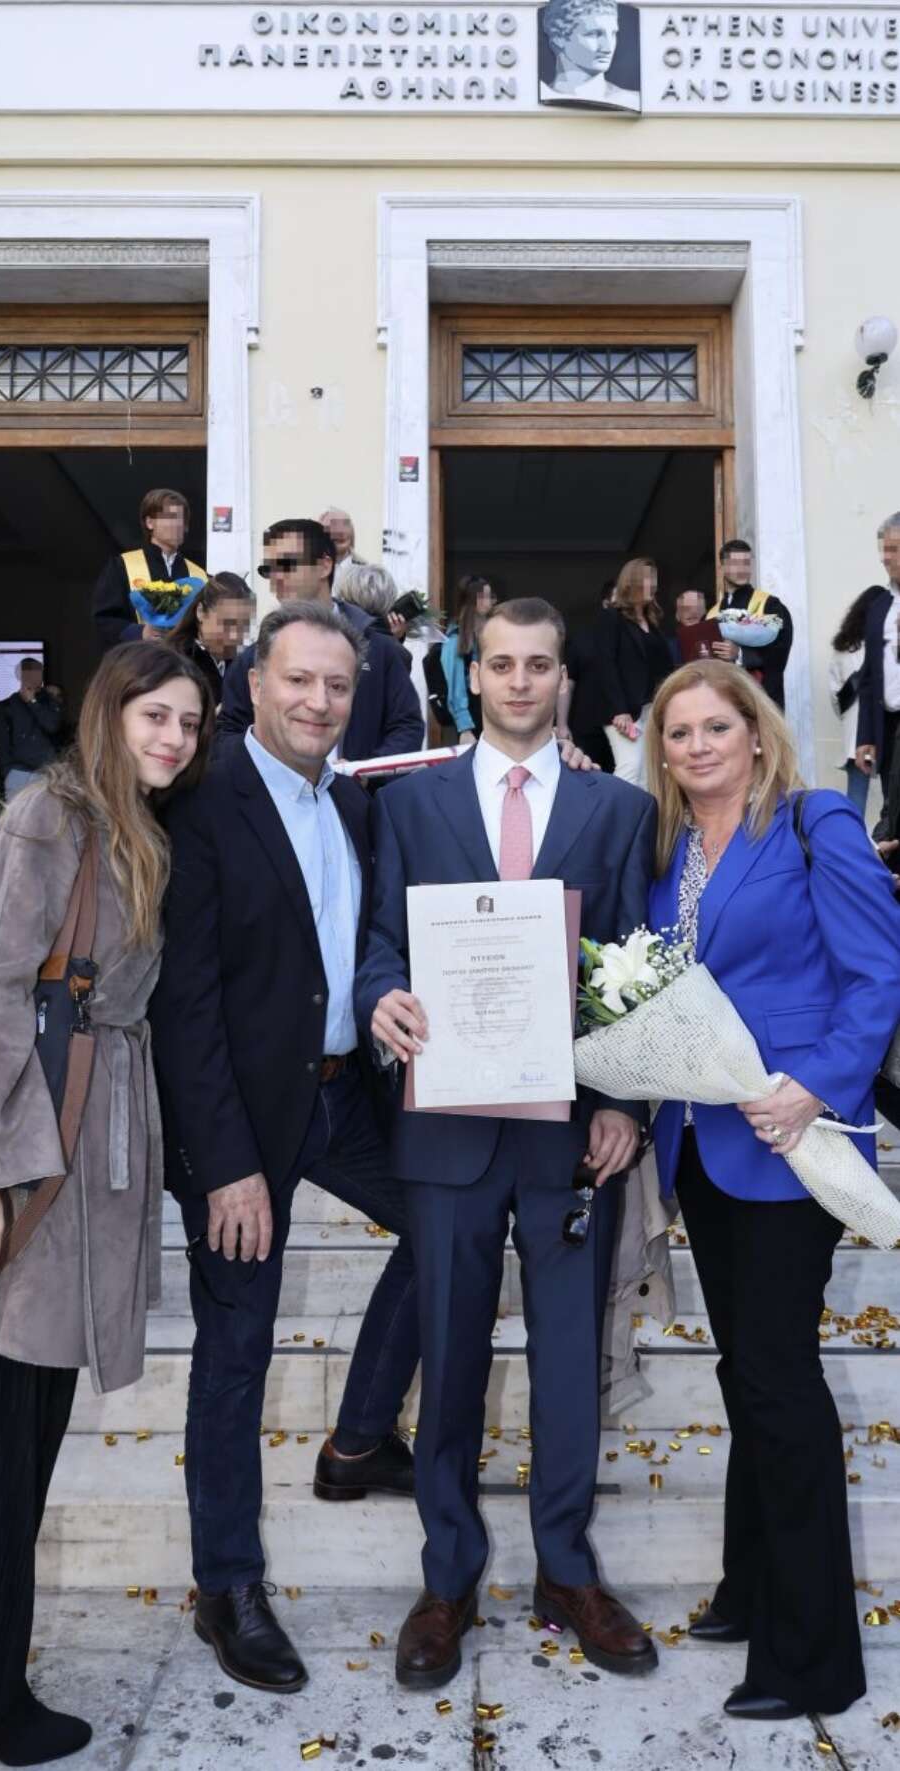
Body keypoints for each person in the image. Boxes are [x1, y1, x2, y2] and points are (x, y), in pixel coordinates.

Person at [0, 641, 211, 1766]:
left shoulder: (133, 830)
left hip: (70, 1179)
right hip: (4, 1178)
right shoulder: (47, 820)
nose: (173, 737)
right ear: (107, 714)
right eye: (154, 716)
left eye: (189, 722)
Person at [355, 597, 659, 1691]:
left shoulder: (617, 809)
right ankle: (448, 1579)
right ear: (471, 677)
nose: (520, 681)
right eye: (501, 664)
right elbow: (378, 938)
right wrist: (381, 994)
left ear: (563, 678)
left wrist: (625, 1102)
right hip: (447, 1125)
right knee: (450, 1358)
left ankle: (566, 1571)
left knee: (568, 1363)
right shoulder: (410, 803)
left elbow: (634, 963)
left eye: (539, 664)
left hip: (571, 1133)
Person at [150, 600, 421, 1697]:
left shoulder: (352, 801)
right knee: (237, 1351)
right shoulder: (201, 796)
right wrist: (224, 1164)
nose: (319, 701)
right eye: (299, 680)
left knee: (450, 1220)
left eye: (338, 685)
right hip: (242, 1120)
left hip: (341, 1095)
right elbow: (184, 1001)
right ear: (254, 682)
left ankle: (358, 1436)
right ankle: (227, 1585)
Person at [645, 659, 900, 1723]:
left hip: (792, 1141)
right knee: (745, 1367)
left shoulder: (813, 820)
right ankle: (750, 1588)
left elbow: (878, 972)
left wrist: (817, 1085)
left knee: (779, 1376)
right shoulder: (668, 851)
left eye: (717, 726)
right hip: (703, 1145)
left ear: (756, 732)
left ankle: (813, 1657)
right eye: (679, 733)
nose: (698, 745)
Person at [219, 519, 424, 760]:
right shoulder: (254, 658)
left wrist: (362, 772)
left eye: (287, 565)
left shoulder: (378, 648)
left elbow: (407, 727)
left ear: (325, 565)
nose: (276, 578)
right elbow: (227, 733)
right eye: (269, 569)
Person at [92, 487, 208, 653]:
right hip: (139, 661)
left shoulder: (199, 576)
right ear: (149, 522)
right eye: (170, 517)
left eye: (181, 519)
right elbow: (104, 619)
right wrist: (139, 633)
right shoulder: (122, 566)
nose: (177, 524)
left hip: (184, 661)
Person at [593, 558, 673, 785]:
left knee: (648, 771)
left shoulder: (652, 622)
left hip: (650, 708)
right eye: (647, 579)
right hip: (624, 710)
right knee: (630, 764)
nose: (653, 584)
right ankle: (617, 809)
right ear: (631, 582)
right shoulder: (612, 618)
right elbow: (606, 664)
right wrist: (619, 710)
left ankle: (643, 810)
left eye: (654, 579)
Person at [708, 540, 793, 712]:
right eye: (735, 563)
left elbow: (779, 652)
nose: (742, 569)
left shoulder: (770, 605)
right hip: (722, 705)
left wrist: (740, 654)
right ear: (722, 567)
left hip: (761, 704)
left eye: (746, 563)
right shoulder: (712, 614)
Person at [855, 511, 900, 793]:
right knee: (892, 810)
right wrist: (865, 737)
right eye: (884, 550)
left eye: (893, 549)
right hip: (890, 728)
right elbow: (869, 677)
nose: (885, 558)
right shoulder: (879, 606)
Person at [166, 573, 254, 710]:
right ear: (201, 612)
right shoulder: (175, 662)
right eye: (227, 623)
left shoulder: (243, 663)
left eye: (242, 626)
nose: (234, 635)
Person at [830, 586, 880, 816]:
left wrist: (848, 719)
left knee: (856, 800)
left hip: (856, 733)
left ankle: (853, 839)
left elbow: (835, 696)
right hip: (888, 730)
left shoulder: (844, 648)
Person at [537, 0, 641, 110]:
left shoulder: (631, 101)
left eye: (613, 34)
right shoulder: (537, 97)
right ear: (559, 38)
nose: (608, 48)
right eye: (594, 34)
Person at [0, 657, 64, 800]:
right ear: (19, 676)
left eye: (38, 672)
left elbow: (52, 726)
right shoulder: (6, 706)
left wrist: (32, 702)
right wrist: (7, 771)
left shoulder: (50, 701)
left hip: (47, 773)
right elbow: (1, 743)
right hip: (17, 774)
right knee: (18, 814)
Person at [563, 583, 615, 771]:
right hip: (587, 725)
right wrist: (562, 724)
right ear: (606, 603)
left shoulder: (640, 638)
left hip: (627, 726)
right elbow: (567, 683)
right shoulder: (584, 638)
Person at [438, 576, 496, 745]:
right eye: (487, 596)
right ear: (476, 600)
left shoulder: (486, 633)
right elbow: (455, 686)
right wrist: (465, 728)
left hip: (489, 714)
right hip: (473, 719)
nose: (492, 601)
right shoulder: (456, 639)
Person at [319, 506, 365, 593]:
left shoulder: (366, 572)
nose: (341, 532)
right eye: (333, 525)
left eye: (345, 525)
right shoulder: (309, 570)